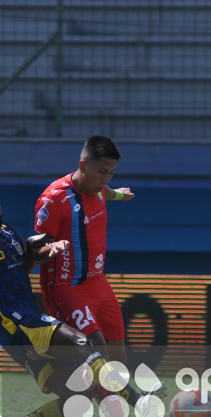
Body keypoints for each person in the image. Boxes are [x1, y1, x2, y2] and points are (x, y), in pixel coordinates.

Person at [0, 180, 159, 417]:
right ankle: (137, 401)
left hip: (25, 322)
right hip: (16, 322)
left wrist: (38, 253)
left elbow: (22, 267)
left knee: (77, 400)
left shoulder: (6, 231)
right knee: (83, 343)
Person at [34, 136, 134, 366]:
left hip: (98, 282)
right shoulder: (54, 199)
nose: (105, 179)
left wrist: (120, 194)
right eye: (102, 172)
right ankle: (44, 353)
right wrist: (51, 248)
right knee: (97, 347)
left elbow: (107, 191)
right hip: (67, 287)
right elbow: (35, 251)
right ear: (83, 165)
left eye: (111, 173)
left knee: (118, 354)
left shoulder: (98, 188)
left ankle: (106, 389)